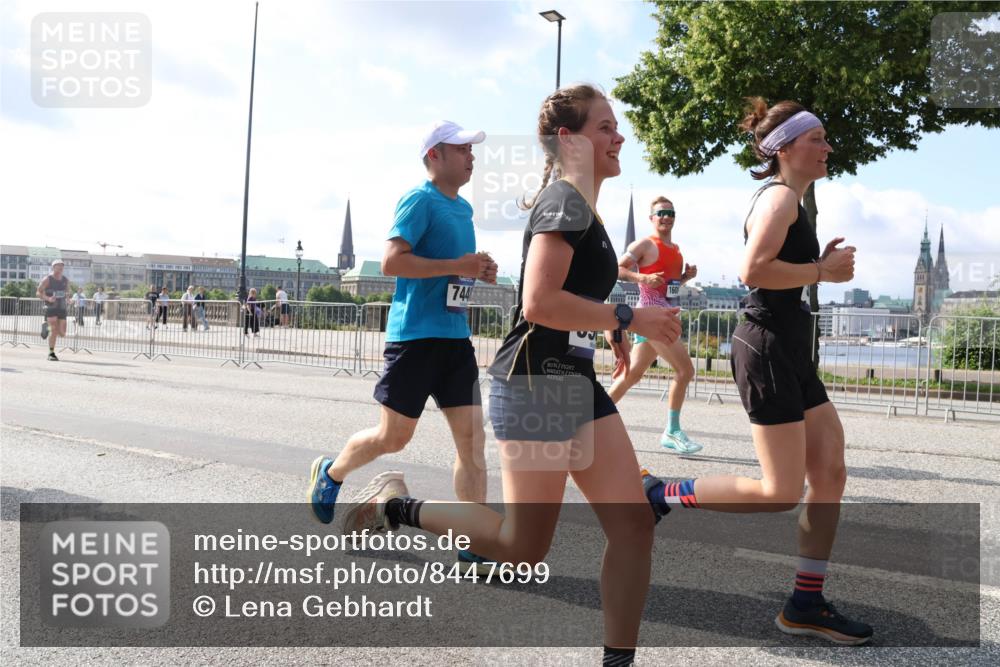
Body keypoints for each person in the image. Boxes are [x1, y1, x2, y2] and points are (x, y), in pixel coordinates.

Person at [331, 87, 681, 666]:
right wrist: (628, 317)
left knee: (633, 524)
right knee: (522, 548)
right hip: (535, 384)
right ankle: (398, 508)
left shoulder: (586, 209)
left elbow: (571, 296)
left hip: (573, 379)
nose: (619, 136)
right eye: (605, 127)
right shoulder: (563, 201)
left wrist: (610, 328)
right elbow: (539, 302)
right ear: (568, 139)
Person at [642, 98, 872, 645]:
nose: (828, 147)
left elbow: (778, 267)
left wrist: (816, 265)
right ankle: (659, 493)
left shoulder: (792, 199)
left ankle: (806, 604)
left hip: (790, 348)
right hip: (766, 347)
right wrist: (822, 271)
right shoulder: (779, 198)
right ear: (786, 148)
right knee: (779, 491)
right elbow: (753, 271)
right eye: (817, 138)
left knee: (831, 472)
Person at [308, 119, 499, 571]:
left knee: (472, 442)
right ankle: (331, 471)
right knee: (393, 437)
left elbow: (454, 270)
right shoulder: (419, 199)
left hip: (455, 339)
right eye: (462, 149)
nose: (471, 157)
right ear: (435, 155)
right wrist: (457, 263)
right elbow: (393, 262)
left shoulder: (464, 209)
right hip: (414, 338)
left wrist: (478, 270)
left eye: (471, 150)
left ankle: (472, 542)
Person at [609, 195, 702, 454]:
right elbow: (616, 269)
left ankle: (590, 420)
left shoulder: (676, 250)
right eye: (661, 213)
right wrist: (642, 277)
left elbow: (668, 286)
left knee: (631, 375)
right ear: (652, 218)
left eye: (670, 213)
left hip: (662, 314)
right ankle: (672, 431)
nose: (666, 217)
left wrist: (684, 278)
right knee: (685, 371)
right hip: (651, 315)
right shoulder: (644, 244)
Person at [36, 260, 70, 361]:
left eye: (62, 266)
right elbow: (38, 293)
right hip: (51, 307)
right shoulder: (47, 279)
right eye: (58, 266)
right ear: (53, 267)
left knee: (62, 333)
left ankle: (46, 326)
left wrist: (68, 299)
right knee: (54, 330)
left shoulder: (65, 280)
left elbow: (67, 292)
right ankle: (51, 353)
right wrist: (48, 298)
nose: (60, 268)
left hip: (62, 307)